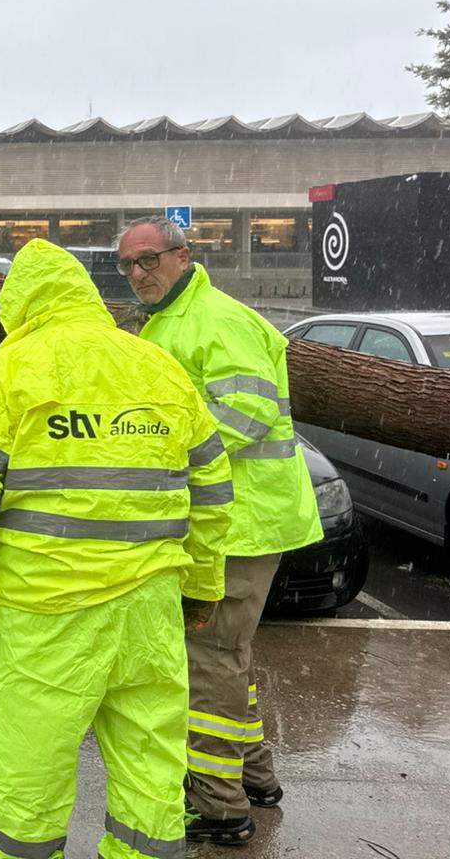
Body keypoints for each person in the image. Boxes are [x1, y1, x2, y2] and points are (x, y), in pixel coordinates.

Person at [0, 239, 234, 859]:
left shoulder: (11, 369)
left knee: (30, 771)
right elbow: (215, 495)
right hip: (150, 611)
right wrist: (201, 586)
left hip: (49, 612)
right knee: (150, 769)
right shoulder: (157, 368)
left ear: (20, 304)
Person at [118, 215, 322, 846]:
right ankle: (255, 779)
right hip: (232, 519)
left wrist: (162, 456)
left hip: (241, 523)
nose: (137, 274)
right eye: (127, 264)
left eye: (148, 259)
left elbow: (247, 412)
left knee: (208, 660)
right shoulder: (172, 322)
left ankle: (219, 806)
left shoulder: (220, 320)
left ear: (183, 255)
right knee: (226, 657)